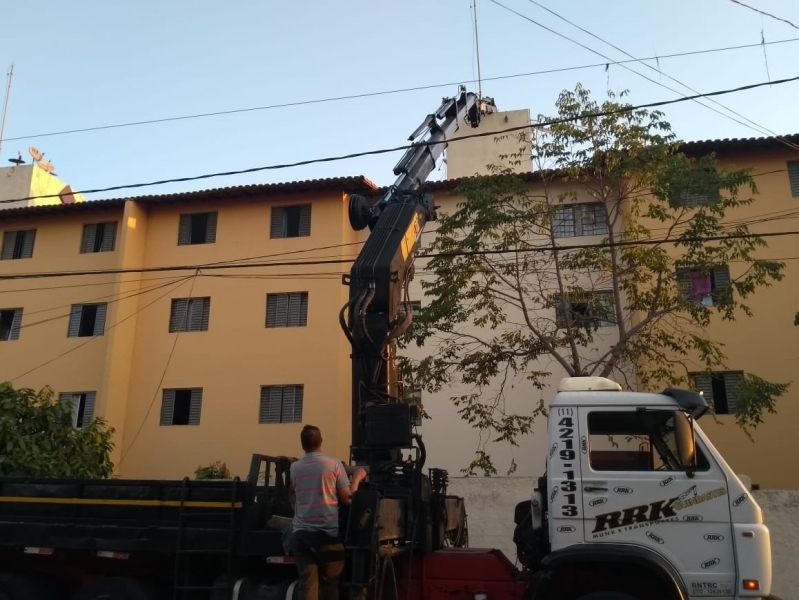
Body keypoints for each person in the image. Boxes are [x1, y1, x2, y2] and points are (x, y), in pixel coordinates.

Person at [288, 425, 366, 600]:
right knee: (330, 585)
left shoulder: (294, 468)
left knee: (307, 586)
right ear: (321, 441)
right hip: (326, 536)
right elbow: (348, 499)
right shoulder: (333, 465)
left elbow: (294, 497)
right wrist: (357, 478)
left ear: (302, 445)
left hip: (301, 537)